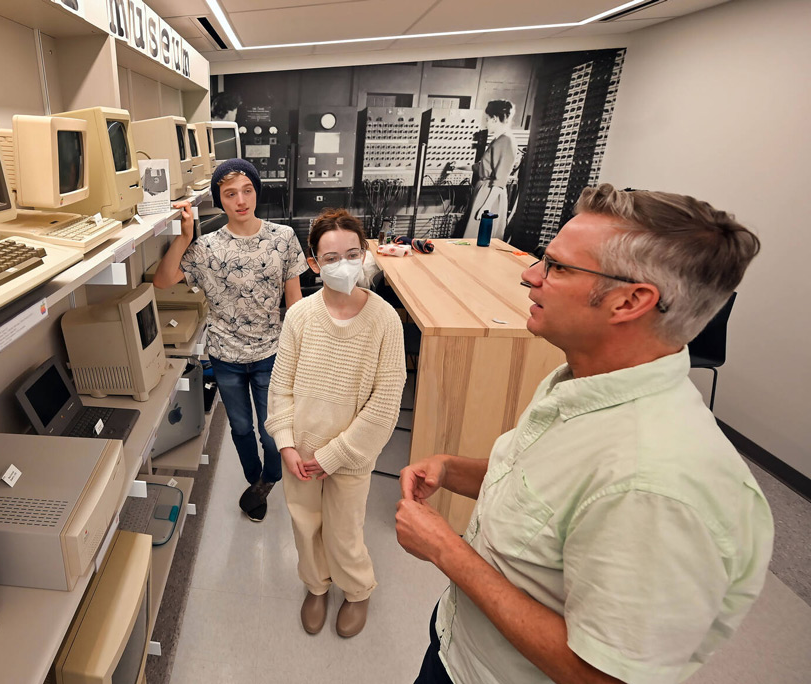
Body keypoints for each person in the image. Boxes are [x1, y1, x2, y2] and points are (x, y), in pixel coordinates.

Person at [395, 183, 772, 684]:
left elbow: (605, 676)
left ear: (630, 301)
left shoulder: (657, 486)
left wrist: (447, 550)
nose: (530, 276)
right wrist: (454, 469)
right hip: (459, 648)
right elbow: (553, 498)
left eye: (557, 266)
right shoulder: (583, 385)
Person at [265, 208, 405, 638]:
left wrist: (335, 455)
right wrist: (286, 443)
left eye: (351, 253)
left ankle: (357, 589)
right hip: (301, 457)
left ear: (364, 255)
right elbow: (280, 387)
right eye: (330, 258)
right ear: (313, 263)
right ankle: (316, 584)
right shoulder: (300, 317)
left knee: (345, 530)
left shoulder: (384, 320)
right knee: (305, 526)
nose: (342, 265)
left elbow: (384, 405)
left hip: (350, 458)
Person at [153, 158, 307, 521]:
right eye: (230, 194)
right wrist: (185, 237)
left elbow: (295, 303)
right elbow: (162, 281)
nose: (241, 200)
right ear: (220, 200)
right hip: (225, 356)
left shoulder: (282, 238)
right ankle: (256, 479)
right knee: (240, 428)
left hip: (272, 353)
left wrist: (301, 353)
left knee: (273, 433)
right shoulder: (206, 248)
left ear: (257, 191)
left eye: (247, 190)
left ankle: (268, 479)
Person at [458, 99, 518, 241]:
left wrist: (486, 206)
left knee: (476, 238)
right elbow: (481, 167)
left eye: (487, 119)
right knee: (471, 237)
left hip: (490, 194)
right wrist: (458, 166)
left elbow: (500, 181)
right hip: (484, 190)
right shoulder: (498, 140)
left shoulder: (506, 141)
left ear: (495, 119)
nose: (485, 123)